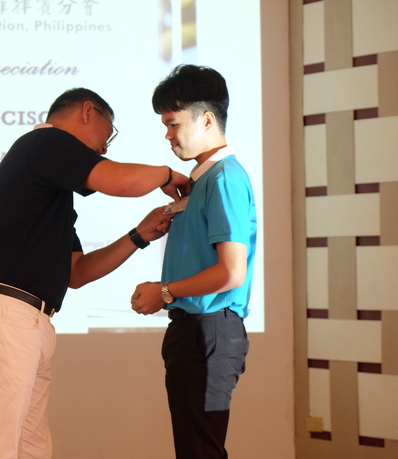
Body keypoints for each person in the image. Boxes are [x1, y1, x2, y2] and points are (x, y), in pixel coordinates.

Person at [0, 87, 191, 459]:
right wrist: (167, 174)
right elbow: (122, 181)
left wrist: (139, 236)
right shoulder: (47, 141)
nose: (104, 148)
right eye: (107, 134)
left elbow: (75, 272)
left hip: (28, 321)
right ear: (86, 111)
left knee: (31, 449)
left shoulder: (50, 188)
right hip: (5, 315)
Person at [131, 64, 257, 459]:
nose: (167, 135)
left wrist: (164, 292)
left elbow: (231, 272)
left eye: (172, 124)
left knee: (200, 450)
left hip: (210, 331)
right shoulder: (203, 179)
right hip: (195, 331)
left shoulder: (224, 179)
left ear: (206, 119)